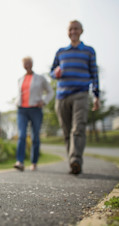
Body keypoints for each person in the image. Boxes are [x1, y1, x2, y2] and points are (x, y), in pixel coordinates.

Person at [50, 20, 100, 175]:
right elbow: (52, 72)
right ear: (67, 31)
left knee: (78, 128)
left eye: (76, 29)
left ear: (81, 31)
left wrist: (96, 95)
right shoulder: (60, 52)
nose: (73, 31)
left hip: (81, 94)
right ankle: (72, 161)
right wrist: (55, 73)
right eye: (71, 29)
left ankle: (75, 160)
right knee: (66, 132)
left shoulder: (89, 51)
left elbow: (94, 74)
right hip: (62, 96)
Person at [14, 56, 54, 171]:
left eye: (28, 63)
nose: (26, 65)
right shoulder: (20, 79)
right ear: (22, 65)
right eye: (24, 63)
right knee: (21, 136)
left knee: (35, 137)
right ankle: (20, 162)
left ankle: (34, 162)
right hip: (22, 110)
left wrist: (44, 101)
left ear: (32, 64)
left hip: (36, 109)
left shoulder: (40, 78)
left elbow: (50, 92)